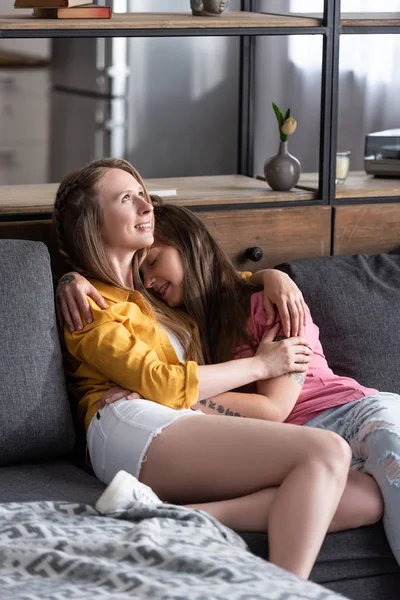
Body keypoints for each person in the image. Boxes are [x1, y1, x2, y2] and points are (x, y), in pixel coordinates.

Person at [53, 157, 354, 581]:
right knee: (328, 450)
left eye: (143, 194)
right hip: (123, 422)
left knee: (361, 495)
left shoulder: (155, 295)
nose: (145, 206)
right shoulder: (92, 304)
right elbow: (160, 382)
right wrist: (261, 365)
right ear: (92, 223)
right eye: (127, 197)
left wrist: (271, 276)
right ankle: (286, 592)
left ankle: (161, 517)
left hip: (174, 416)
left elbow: (216, 280)